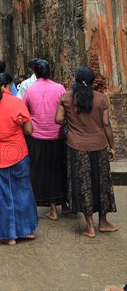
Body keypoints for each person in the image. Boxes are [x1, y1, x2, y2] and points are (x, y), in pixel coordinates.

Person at [55, 66, 117, 238]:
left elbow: (58, 119)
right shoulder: (101, 99)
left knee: (83, 184)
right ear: (92, 80)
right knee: (101, 183)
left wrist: (71, 122)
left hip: (77, 147)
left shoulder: (66, 98)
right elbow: (106, 124)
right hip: (98, 145)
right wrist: (111, 146)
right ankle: (103, 222)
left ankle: (89, 226)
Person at [0, 73, 38, 245]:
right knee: (22, 190)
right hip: (18, 153)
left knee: (3, 194)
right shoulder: (18, 103)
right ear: (9, 85)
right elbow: (29, 131)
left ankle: (9, 234)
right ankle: (26, 230)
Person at [23, 59, 67, 220]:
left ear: (35, 72)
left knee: (44, 172)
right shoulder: (59, 88)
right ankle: (65, 204)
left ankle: (53, 208)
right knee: (59, 169)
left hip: (38, 136)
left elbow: (25, 112)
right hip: (57, 135)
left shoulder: (30, 90)